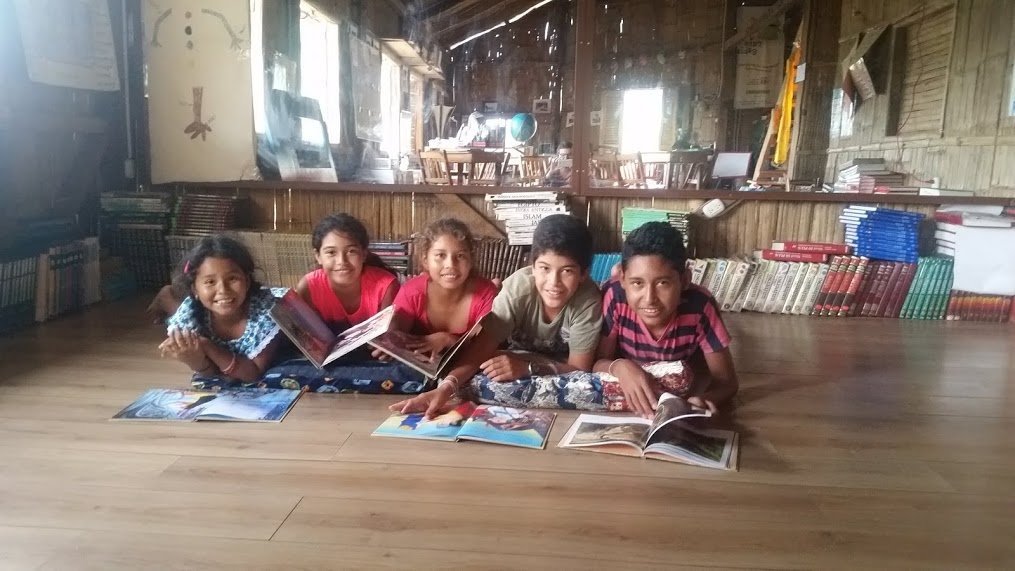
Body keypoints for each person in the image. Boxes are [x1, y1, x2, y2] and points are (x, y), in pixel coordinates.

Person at [390, 214, 602, 418]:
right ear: (532, 266)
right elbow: (480, 350)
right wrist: (445, 388)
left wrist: (528, 368)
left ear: (584, 274)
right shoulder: (518, 289)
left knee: (586, 387)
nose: (553, 282)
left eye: (567, 271)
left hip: (551, 368)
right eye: (544, 268)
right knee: (476, 379)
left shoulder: (588, 300)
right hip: (515, 360)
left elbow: (580, 368)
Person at [595, 221, 738, 417]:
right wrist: (620, 366)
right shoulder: (615, 297)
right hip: (630, 400)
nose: (649, 298)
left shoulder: (700, 306)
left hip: (679, 394)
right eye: (637, 283)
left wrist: (704, 399)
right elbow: (597, 363)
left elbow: (727, 382)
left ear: (685, 279)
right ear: (622, 279)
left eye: (663, 283)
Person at [159, 234, 285, 382]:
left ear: (247, 281)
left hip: (278, 298)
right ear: (195, 290)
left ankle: (165, 296)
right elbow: (210, 373)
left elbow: (252, 374)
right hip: (196, 304)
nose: (223, 290)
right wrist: (194, 360)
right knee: (174, 305)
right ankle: (165, 296)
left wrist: (206, 345)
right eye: (210, 282)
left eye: (232, 279)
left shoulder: (269, 311)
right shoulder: (190, 315)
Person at [388, 218, 498, 361]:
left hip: (467, 370)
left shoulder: (485, 293)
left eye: (460, 256)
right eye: (440, 255)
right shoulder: (412, 292)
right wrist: (389, 342)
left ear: (471, 261)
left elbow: (484, 346)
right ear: (425, 260)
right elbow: (397, 333)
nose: (450, 264)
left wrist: (447, 340)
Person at [296, 213, 399, 333]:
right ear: (318, 256)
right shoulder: (308, 288)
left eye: (351, 251)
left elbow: (390, 334)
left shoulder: (386, 286)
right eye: (331, 252)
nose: (341, 261)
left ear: (364, 254)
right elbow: (310, 336)